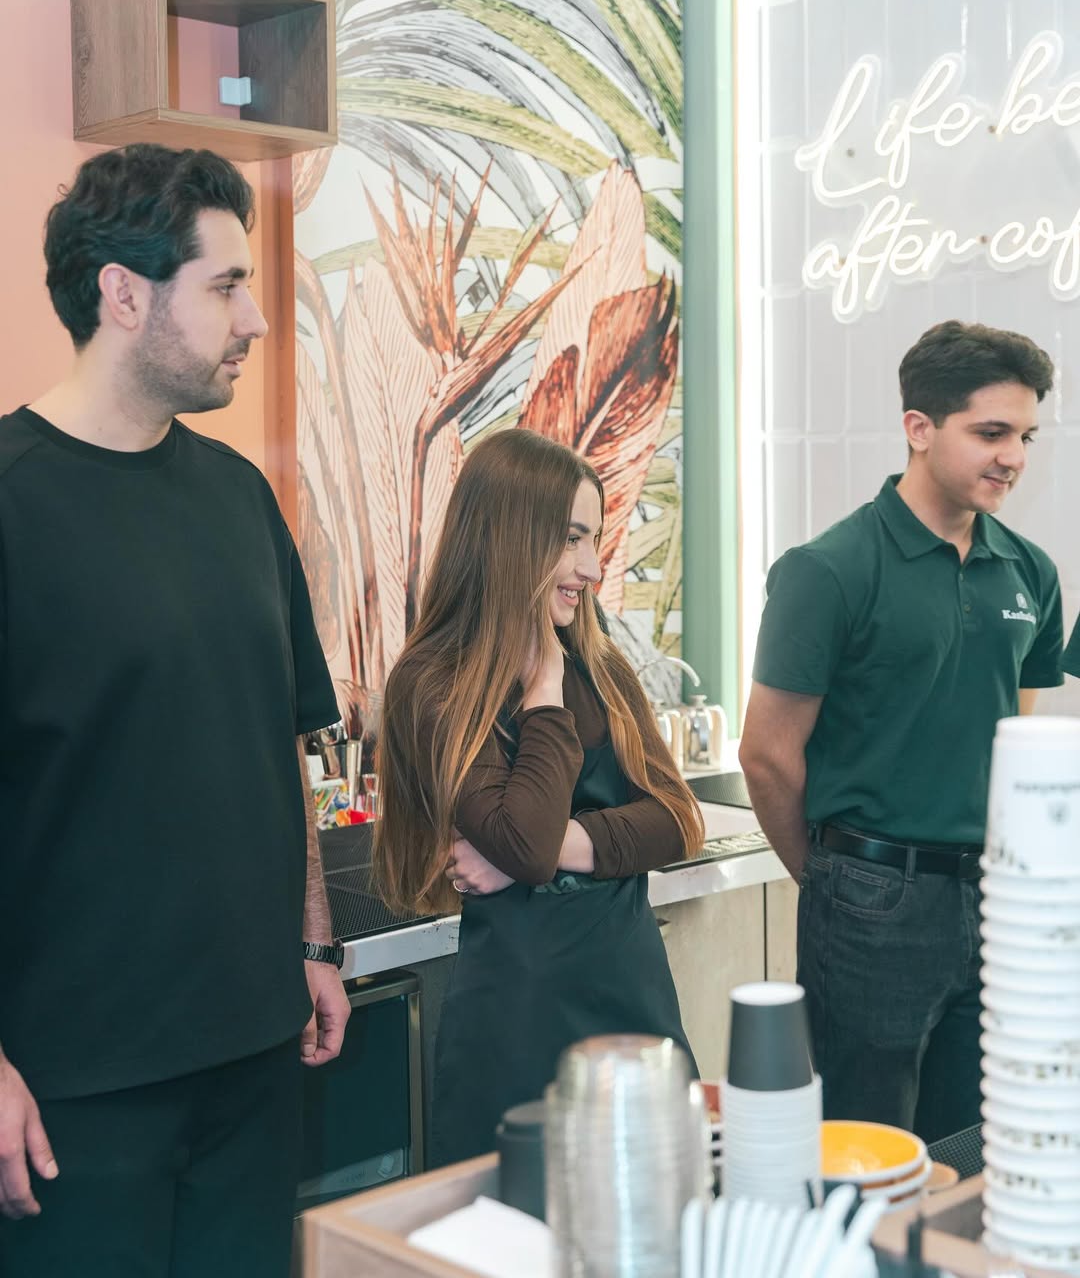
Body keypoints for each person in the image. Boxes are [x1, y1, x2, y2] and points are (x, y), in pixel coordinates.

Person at [0, 144, 351, 1278]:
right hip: (75, 1089)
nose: (256, 320)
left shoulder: (241, 498)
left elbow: (278, 743)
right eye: (226, 286)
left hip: (255, 1061)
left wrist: (313, 941)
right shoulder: (10, 504)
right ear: (123, 293)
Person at [739, 320, 1063, 1144]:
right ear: (919, 428)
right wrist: (832, 879)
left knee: (974, 1147)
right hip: (871, 896)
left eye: (1025, 436)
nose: (1014, 457)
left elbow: (1013, 741)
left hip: (993, 900)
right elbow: (766, 756)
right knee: (865, 1147)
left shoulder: (1032, 572)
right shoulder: (827, 570)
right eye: (991, 433)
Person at [374, 427, 705, 1164]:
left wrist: (565, 845)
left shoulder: (599, 660)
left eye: (594, 540)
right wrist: (544, 690)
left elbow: (678, 820)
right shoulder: (433, 683)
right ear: (508, 535)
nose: (592, 567)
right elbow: (522, 844)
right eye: (571, 538)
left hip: (632, 996)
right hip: (518, 1024)